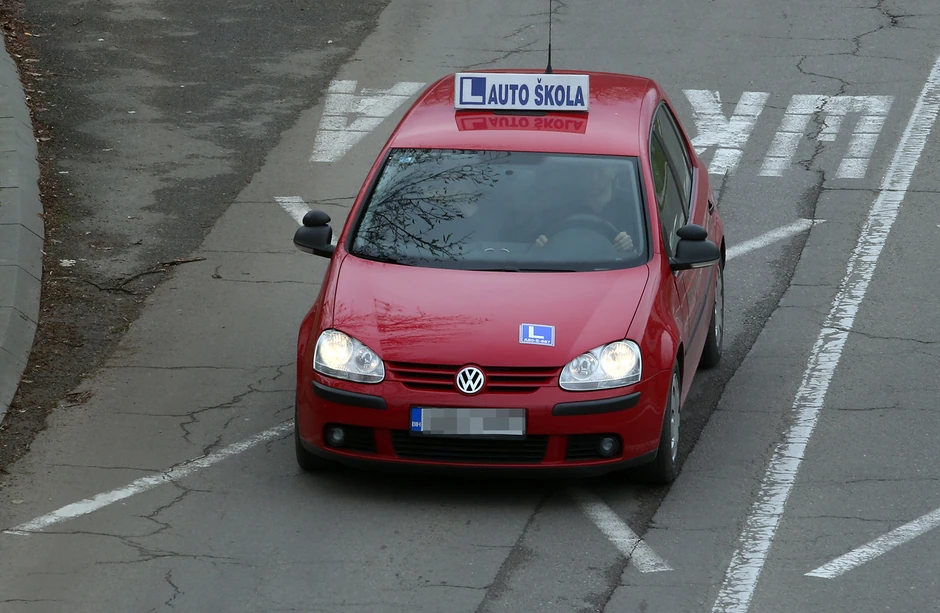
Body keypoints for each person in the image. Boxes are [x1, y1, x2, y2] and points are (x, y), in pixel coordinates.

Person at [533, 163, 637, 251]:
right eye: (588, 170)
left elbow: (644, 251)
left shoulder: (632, 203)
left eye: (600, 171)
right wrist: (542, 244)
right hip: (566, 267)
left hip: (618, 270)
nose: (594, 178)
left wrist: (629, 246)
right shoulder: (563, 205)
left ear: (614, 171)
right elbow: (543, 239)